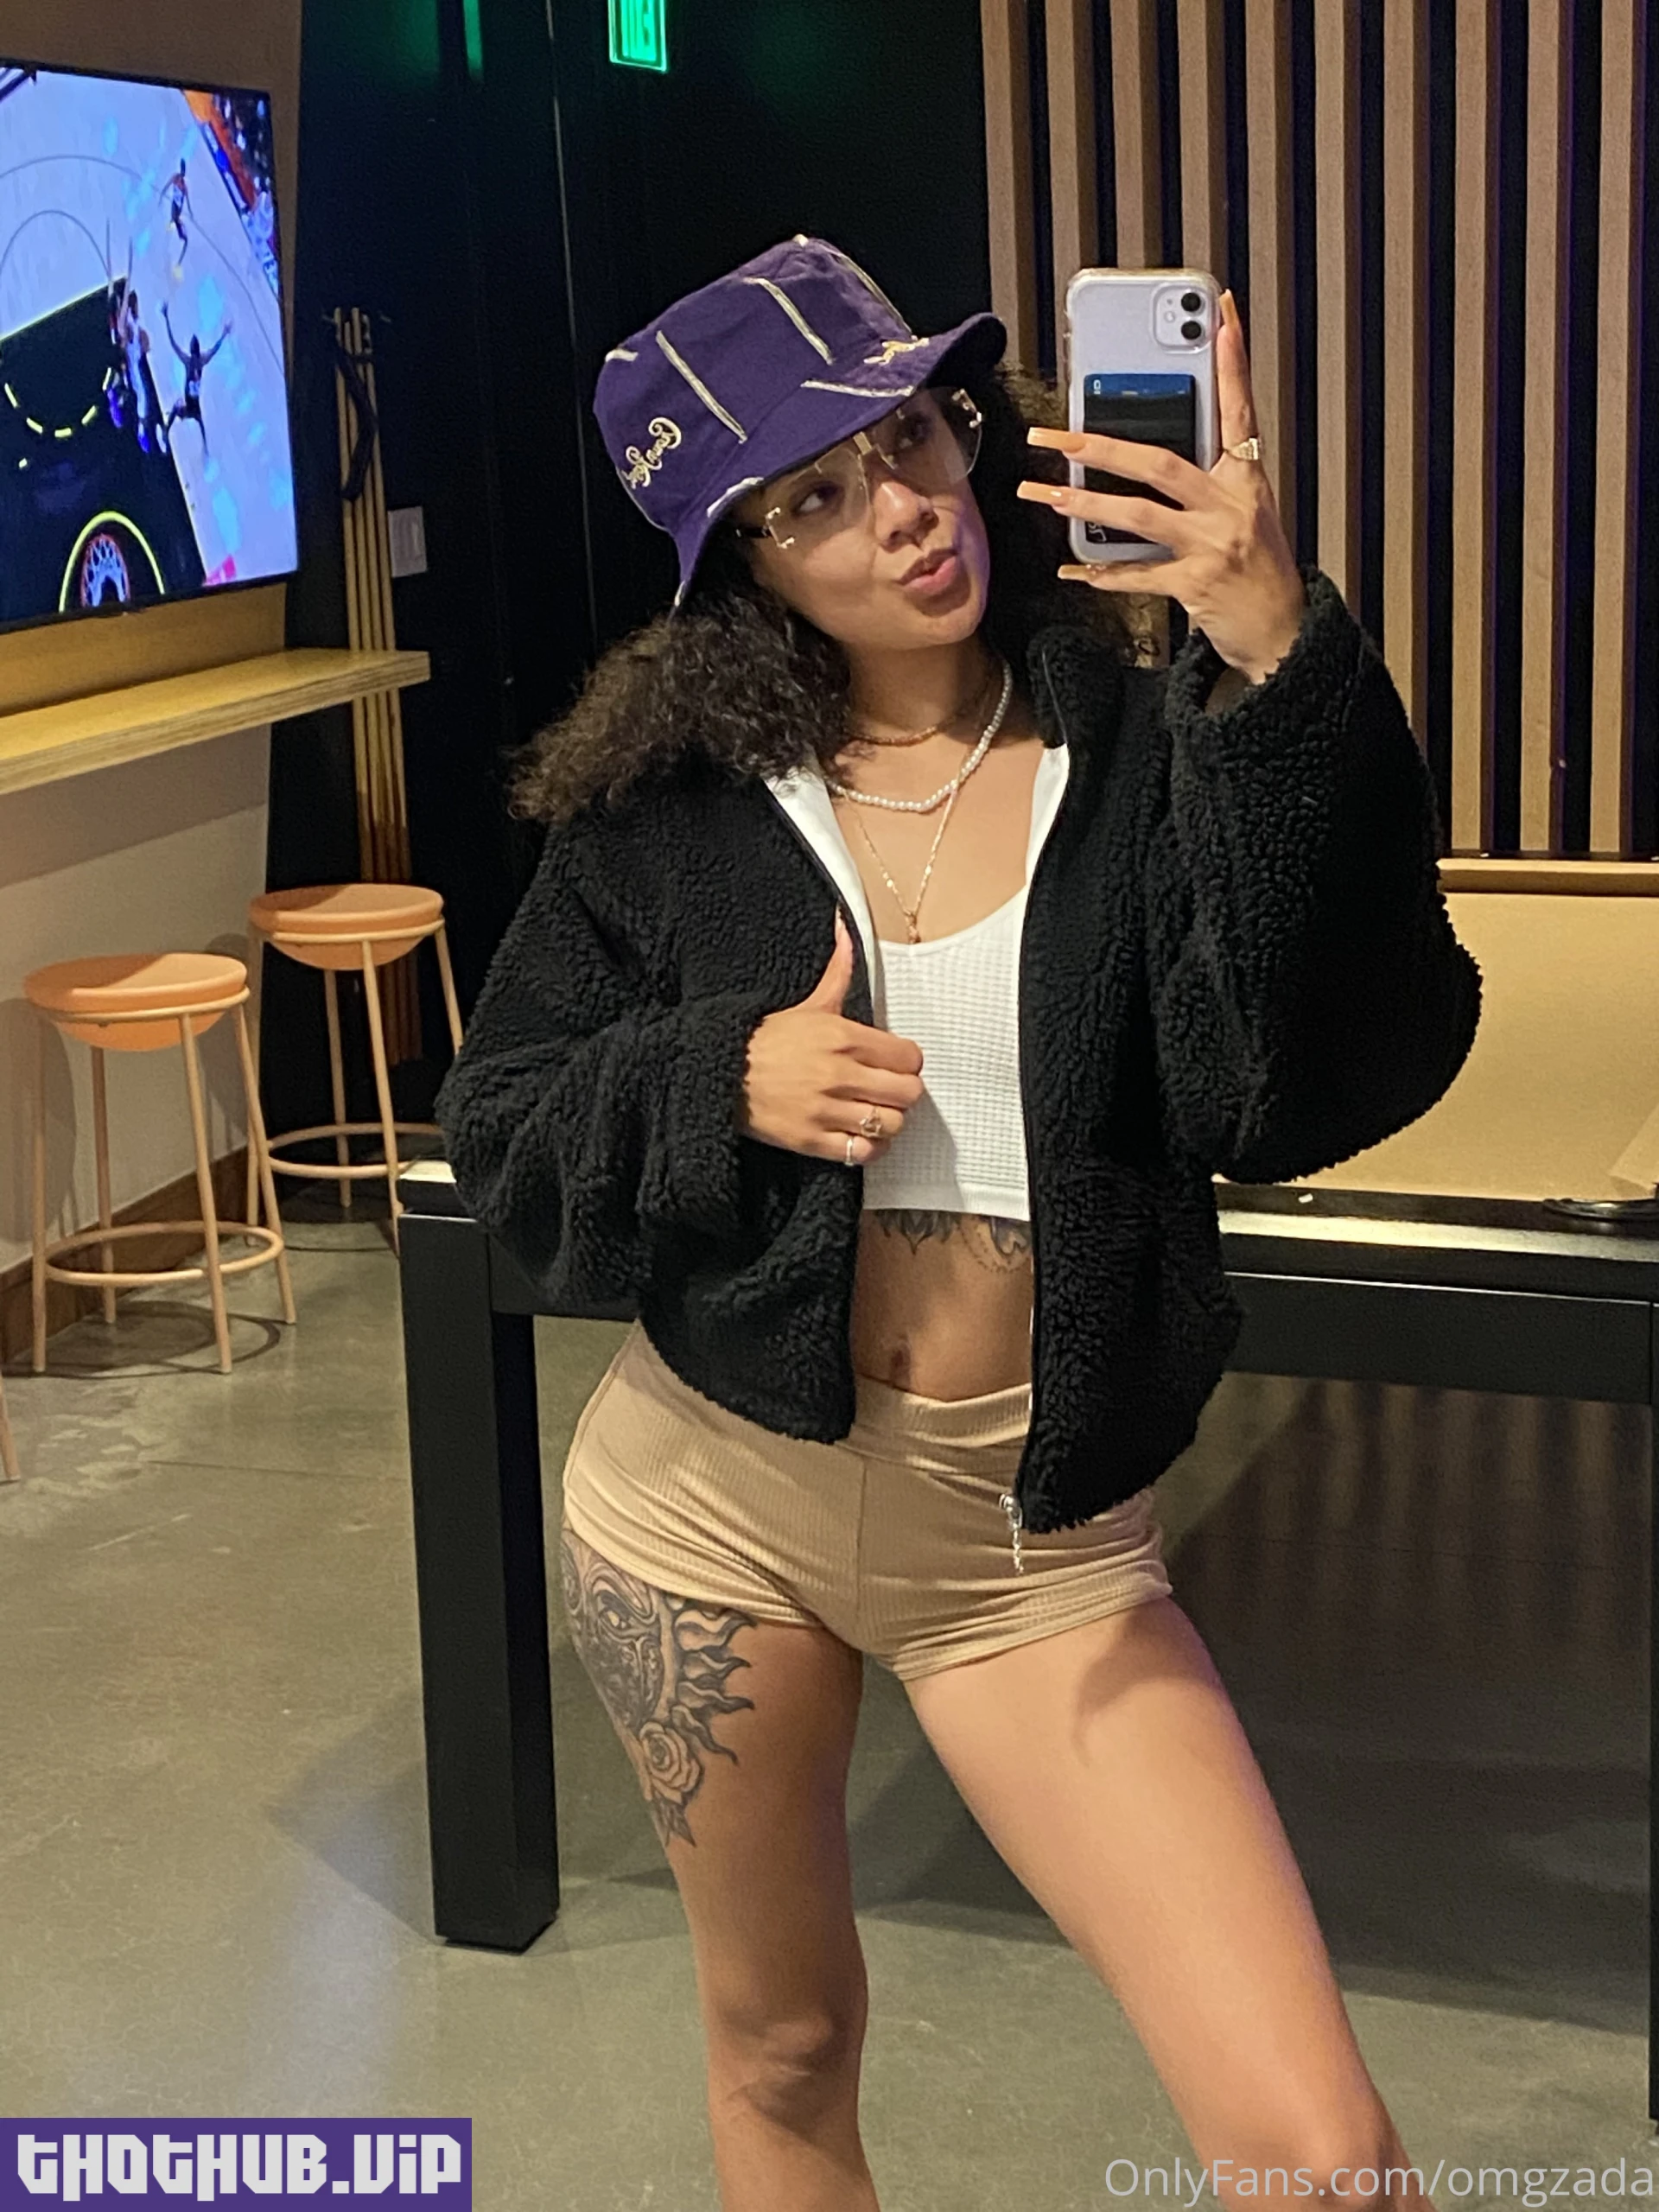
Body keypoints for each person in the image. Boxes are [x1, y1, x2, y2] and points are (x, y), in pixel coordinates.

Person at [435, 236, 1481, 2212]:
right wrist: (716, 1077)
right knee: (780, 2044)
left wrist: (1277, 653)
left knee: (1320, 2155)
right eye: (813, 495)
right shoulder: (672, 806)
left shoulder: (1144, 737)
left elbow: (1311, 1080)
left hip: (1030, 1547)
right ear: (744, 562)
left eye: (911, 435)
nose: (899, 506)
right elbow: (501, 1128)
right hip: (704, 1504)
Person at [161, 306, 231, 453]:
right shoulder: (201, 360)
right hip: (193, 401)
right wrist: (224, 334)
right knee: (196, 419)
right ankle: (202, 447)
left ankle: (169, 430)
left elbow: (173, 344)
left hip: (190, 401)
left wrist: (166, 318)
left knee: (184, 411)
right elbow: (214, 349)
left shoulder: (189, 361)